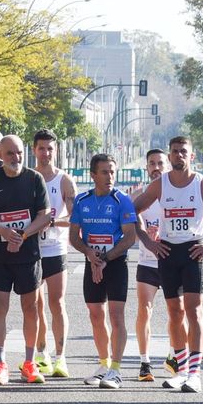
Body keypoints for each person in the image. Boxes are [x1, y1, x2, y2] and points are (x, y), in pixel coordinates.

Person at [130, 136, 203, 393]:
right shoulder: (160, 185)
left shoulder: (202, 184)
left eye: (183, 152)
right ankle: (180, 370)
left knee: (194, 311)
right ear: (170, 156)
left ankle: (195, 372)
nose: (179, 155)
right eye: (175, 152)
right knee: (174, 313)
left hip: (192, 251)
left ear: (191, 156)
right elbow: (132, 211)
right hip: (168, 252)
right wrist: (147, 240)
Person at [0, 134, 53, 385]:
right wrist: (3, 232)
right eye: (10, 154)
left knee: (30, 307)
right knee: (0, 308)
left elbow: (45, 214)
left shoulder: (34, 178)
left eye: (19, 153)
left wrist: (24, 235)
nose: (16, 158)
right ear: (0, 155)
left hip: (28, 254)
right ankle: (1, 363)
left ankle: (29, 362)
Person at [70, 153, 139, 390]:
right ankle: (103, 364)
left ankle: (116, 370)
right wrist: (91, 256)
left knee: (116, 316)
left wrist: (106, 259)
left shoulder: (122, 201)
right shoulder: (82, 200)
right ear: (93, 175)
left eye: (112, 171)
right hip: (93, 261)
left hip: (115, 262)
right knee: (95, 315)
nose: (110, 176)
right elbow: (73, 237)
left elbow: (130, 237)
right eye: (104, 172)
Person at [31, 129, 75, 377]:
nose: (45, 153)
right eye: (41, 148)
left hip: (56, 248)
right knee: (35, 304)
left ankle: (61, 357)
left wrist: (53, 222)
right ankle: (41, 353)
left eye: (50, 148)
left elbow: (75, 217)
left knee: (57, 303)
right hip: (32, 249)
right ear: (34, 150)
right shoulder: (27, 177)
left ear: (55, 151)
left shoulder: (64, 180)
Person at [132, 147, 172, 382]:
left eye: (160, 163)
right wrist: (144, 233)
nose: (156, 168)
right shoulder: (139, 195)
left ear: (167, 166)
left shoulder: (174, 192)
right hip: (147, 262)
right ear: (146, 167)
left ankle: (173, 357)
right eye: (152, 164)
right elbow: (130, 231)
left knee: (175, 312)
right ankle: (144, 362)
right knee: (144, 310)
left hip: (171, 262)